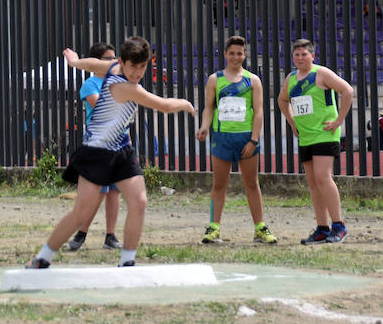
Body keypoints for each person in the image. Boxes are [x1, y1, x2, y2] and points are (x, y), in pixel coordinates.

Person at [26, 36, 195, 268]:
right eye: (133, 66)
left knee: (139, 201)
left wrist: (75, 62)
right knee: (81, 213)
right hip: (97, 152)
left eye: (142, 67)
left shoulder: (114, 66)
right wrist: (186, 103)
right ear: (122, 62)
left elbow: (95, 65)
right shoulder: (124, 86)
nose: (137, 73)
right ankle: (41, 258)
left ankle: (127, 262)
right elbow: (164, 106)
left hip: (121, 150)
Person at [196, 36, 276, 245]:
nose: (235, 57)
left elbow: (259, 112)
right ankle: (214, 227)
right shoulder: (215, 79)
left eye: (239, 53)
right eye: (232, 53)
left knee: (251, 183)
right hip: (222, 138)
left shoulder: (253, 80)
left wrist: (254, 140)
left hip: (245, 138)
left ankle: (260, 227)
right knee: (219, 184)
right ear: (225, 54)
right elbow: (208, 108)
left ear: (245, 55)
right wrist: (204, 127)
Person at [277, 38, 353, 244]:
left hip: (324, 133)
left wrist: (339, 120)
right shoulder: (291, 78)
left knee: (322, 177)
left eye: (304, 54)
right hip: (306, 135)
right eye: (297, 55)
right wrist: (292, 122)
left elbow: (347, 91)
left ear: (313, 56)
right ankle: (322, 227)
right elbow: (282, 100)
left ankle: (339, 225)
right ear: (292, 57)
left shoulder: (321, 73)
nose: (300, 58)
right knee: (313, 184)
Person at [66, 42, 123, 251]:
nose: (114, 61)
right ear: (95, 62)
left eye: (114, 57)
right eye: (108, 58)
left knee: (115, 191)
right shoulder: (90, 85)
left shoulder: (118, 81)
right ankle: (81, 233)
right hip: (99, 143)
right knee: (97, 192)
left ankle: (111, 235)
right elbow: (103, 108)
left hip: (119, 141)